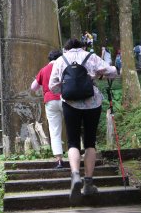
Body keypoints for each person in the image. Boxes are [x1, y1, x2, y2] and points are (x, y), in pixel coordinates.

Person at [49, 39, 117, 203]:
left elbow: (53, 86)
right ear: (82, 46)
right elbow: (113, 71)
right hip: (92, 103)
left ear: (66, 49)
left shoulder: (60, 60)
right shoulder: (91, 57)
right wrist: (99, 75)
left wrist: (67, 89)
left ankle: (75, 176)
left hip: (70, 104)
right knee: (90, 142)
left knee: (72, 142)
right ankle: (88, 182)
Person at [30, 50, 65, 167]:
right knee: (72, 126)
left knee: (54, 130)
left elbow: (33, 87)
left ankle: (59, 159)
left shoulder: (44, 70)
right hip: (66, 99)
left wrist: (40, 80)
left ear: (49, 59)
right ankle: (75, 153)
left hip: (50, 100)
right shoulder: (64, 66)